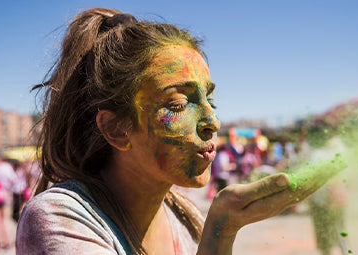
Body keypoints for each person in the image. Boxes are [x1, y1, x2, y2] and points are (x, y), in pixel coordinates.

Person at [16, 8, 331, 254]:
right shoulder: (60, 217)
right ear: (116, 129)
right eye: (179, 103)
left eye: (210, 99)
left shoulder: (183, 217)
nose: (213, 122)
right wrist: (220, 230)